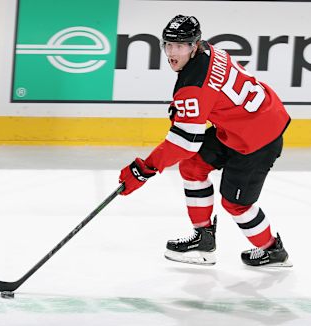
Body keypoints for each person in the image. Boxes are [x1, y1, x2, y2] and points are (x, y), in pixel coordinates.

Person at [118, 15, 292, 267]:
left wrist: (144, 169)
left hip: (259, 139)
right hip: (244, 123)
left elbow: (184, 142)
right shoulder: (209, 50)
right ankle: (203, 239)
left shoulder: (193, 85)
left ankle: (273, 250)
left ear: (194, 45)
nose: (172, 52)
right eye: (168, 45)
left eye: (180, 46)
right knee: (192, 167)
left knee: (235, 204)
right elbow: (212, 100)